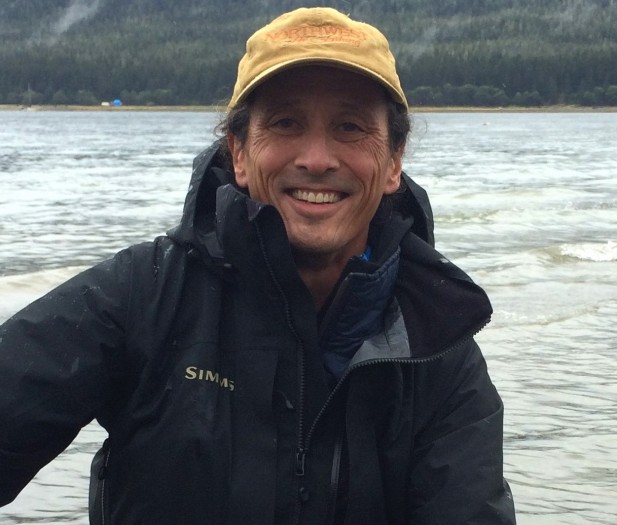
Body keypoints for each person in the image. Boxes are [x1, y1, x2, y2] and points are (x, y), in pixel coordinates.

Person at [0, 7, 516, 524]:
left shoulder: (436, 346)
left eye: (350, 126)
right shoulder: (142, 297)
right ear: (240, 153)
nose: (317, 158)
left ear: (394, 162)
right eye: (286, 123)